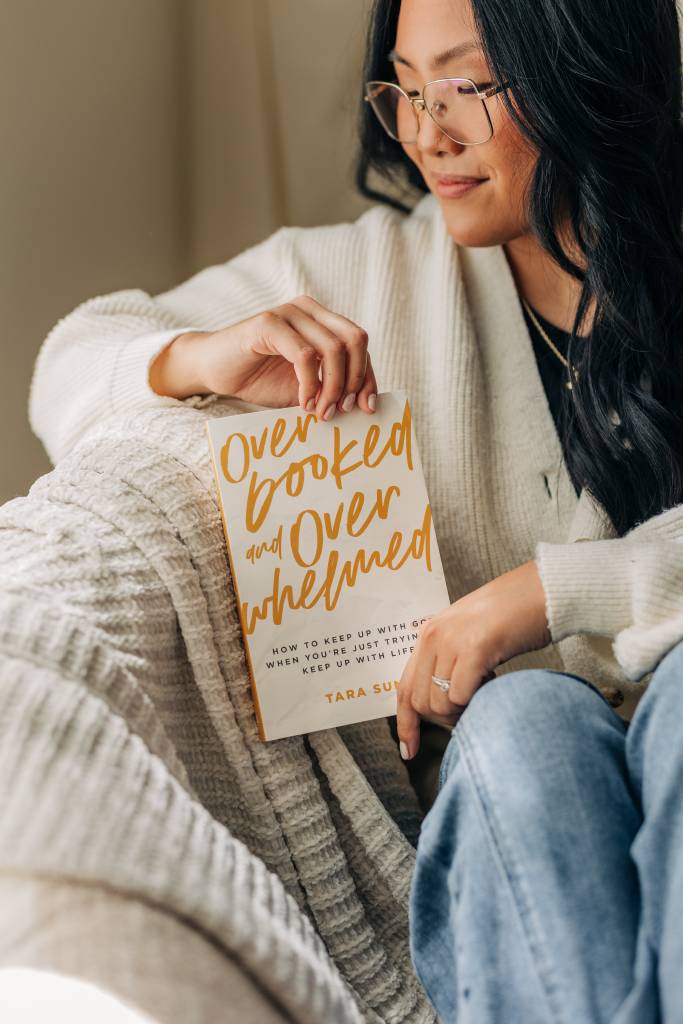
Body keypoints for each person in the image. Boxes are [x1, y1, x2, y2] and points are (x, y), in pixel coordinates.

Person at [27, 0, 683, 1019]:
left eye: (464, 84)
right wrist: (202, 356)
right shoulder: (370, 275)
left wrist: (544, 596)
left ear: (581, 59)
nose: (427, 129)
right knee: (520, 720)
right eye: (403, 88)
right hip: (513, 792)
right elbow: (68, 365)